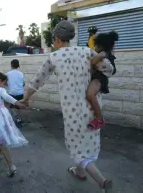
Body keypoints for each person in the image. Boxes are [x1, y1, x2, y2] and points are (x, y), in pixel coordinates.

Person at [20, 20, 114, 192]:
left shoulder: (54, 57)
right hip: (92, 108)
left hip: (72, 111)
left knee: (76, 148)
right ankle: (79, 172)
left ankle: (102, 181)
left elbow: (37, 81)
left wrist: (26, 98)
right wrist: (95, 79)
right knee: (87, 142)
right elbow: (109, 69)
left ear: (56, 39)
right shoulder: (87, 52)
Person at [86, 31, 118, 130]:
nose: (94, 48)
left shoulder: (103, 54)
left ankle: (99, 118)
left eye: (96, 46)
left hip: (99, 79)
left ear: (101, 46)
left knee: (90, 95)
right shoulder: (105, 54)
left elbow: (93, 61)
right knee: (91, 96)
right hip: (99, 78)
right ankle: (95, 112)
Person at [6, 59, 25, 128]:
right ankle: (20, 118)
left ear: (11, 65)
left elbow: (6, 84)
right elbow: (23, 84)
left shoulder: (8, 74)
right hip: (20, 93)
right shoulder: (21, 74)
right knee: (19, 107)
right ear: (18, 65)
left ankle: (17, 119)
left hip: (12, 93)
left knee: (11, 107)